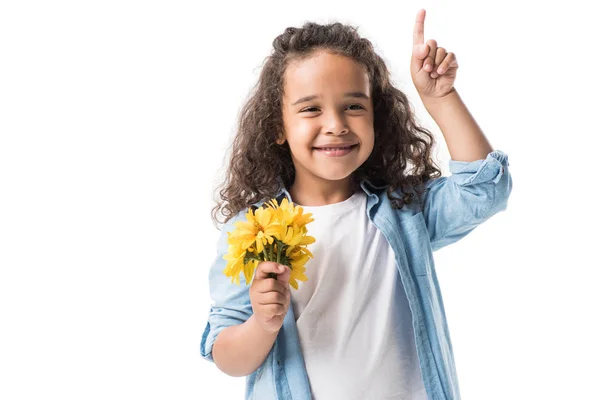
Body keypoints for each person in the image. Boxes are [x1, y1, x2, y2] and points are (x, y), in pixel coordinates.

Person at [200, 8, 512, 400]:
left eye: (354, 106)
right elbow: (227, 355)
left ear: (376, 118)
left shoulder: (404, 212)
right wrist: (262, 324)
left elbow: (482, 192)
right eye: (311, 108)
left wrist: (441, 98)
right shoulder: (249, 231)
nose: (336, 124)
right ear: (277, 127)